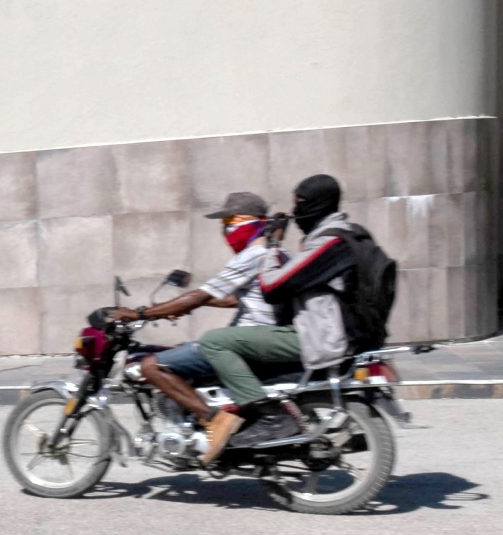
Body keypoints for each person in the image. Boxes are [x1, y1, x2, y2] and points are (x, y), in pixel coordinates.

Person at [194, 175, 360, 461]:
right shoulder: (341, 235)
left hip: (315, 335)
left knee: (213, 341)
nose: (295, 213)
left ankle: (268, 416)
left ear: (319, 204)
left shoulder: (329, 241)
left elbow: (273, 286)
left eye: (301, 204)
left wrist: (272, 242)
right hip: (322, 330)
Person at [111, 190, 279, 431]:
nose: (225, 229)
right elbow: (235, 299)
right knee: (182, 350)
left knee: (150, 366)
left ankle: (215, 422)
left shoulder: (253, 255)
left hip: (247, 340)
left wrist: (140, 314)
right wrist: (184, 306)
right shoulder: (272, 253)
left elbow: (201, 295)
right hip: (257, 338)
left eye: (230, 221)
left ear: (250, 221)